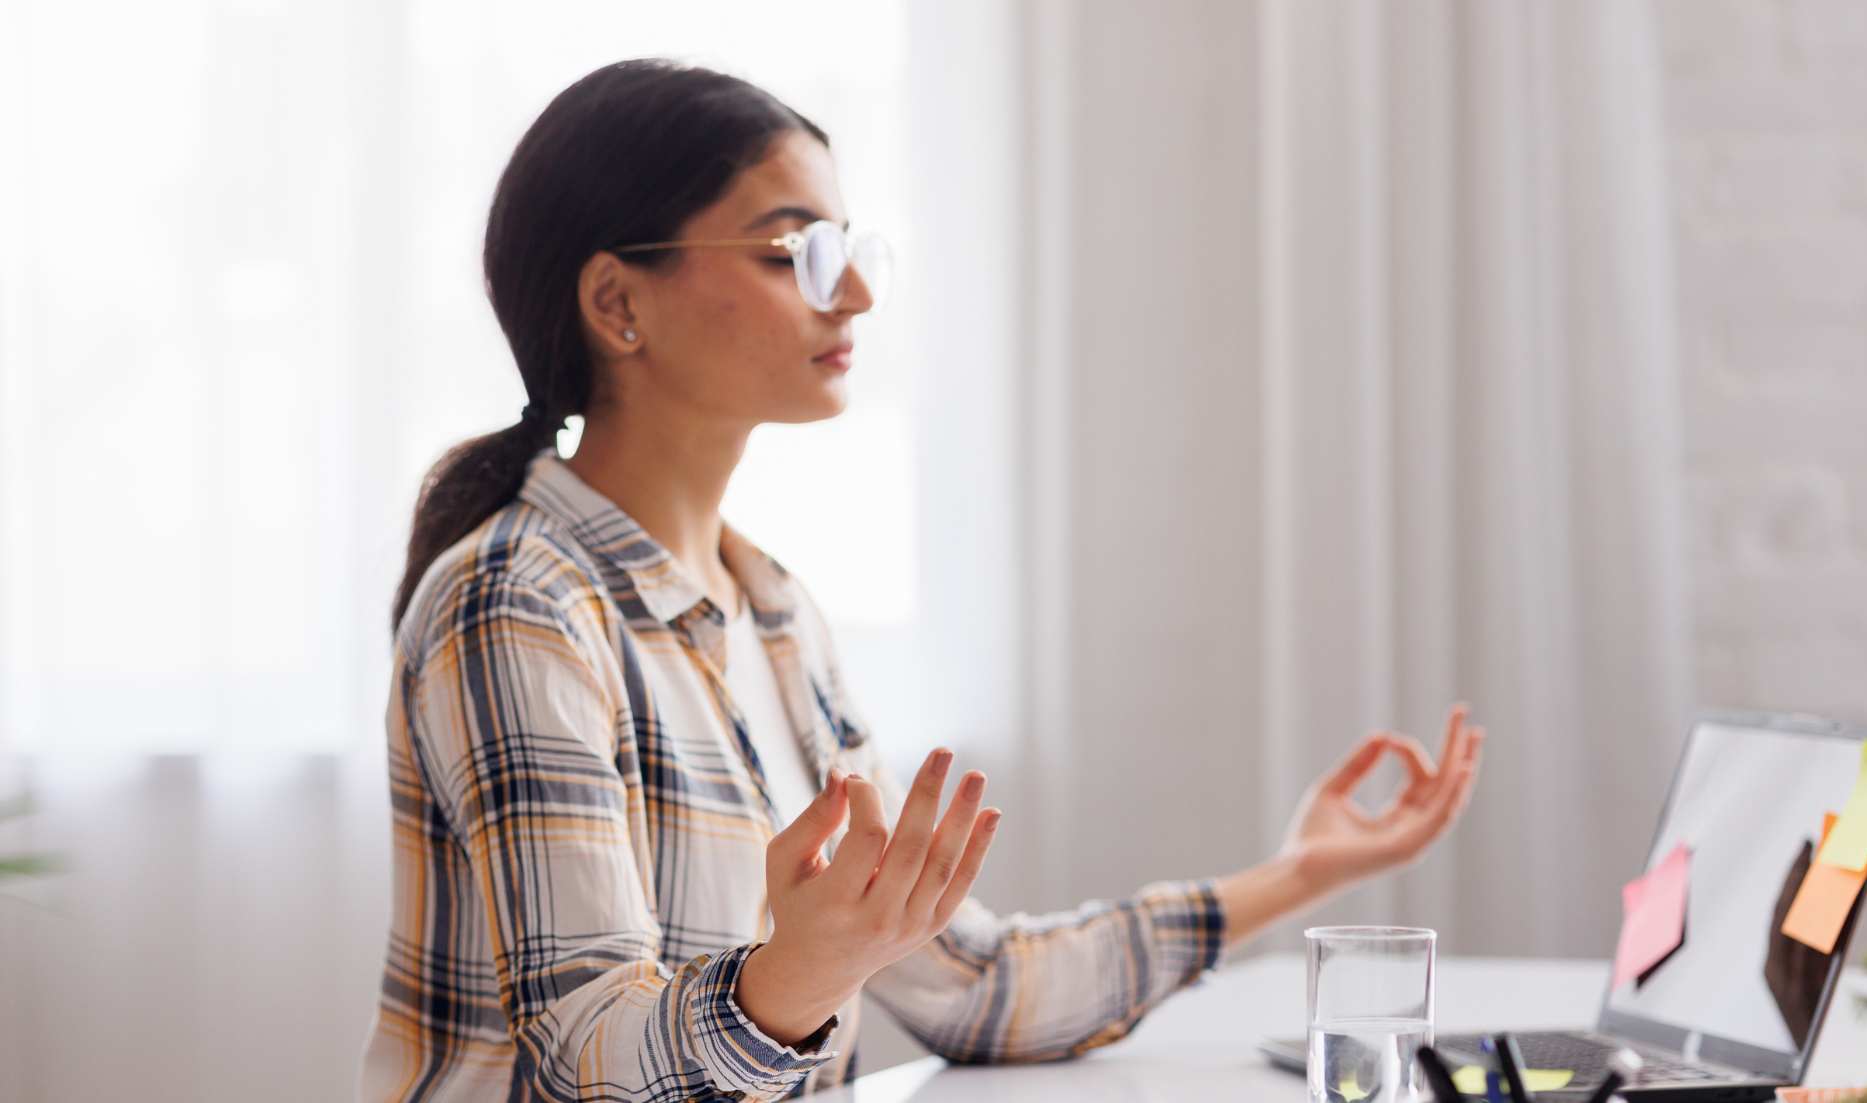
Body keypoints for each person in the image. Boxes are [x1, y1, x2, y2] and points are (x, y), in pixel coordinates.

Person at [358, 58, 1486, 1102]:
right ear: (618, 303)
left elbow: (972, 984)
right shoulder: (517, 604)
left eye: (850, 246)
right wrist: (794, 976)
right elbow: (585, 1054)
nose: (851, 292)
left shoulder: (775, 610)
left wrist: (1297, 873)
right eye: (791, 248)